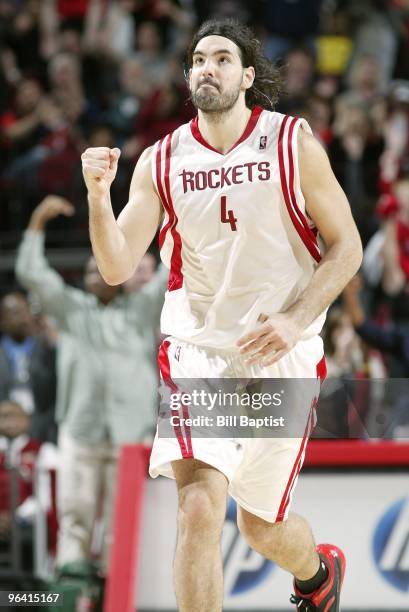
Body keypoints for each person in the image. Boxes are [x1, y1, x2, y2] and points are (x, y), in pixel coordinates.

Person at [81, 18, 363, 611]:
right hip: (197, 350)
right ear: (187, 76)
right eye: (198, 59)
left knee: (261, 528)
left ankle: (317, 575)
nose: (208, 67)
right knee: (200, 505)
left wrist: (295, 317)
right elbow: (114, 266)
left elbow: (348, 247)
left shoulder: (291, 143)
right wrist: (98, 197)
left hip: (281, 353)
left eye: (223, 58)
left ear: (247, 75)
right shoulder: (162, 159)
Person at [15, 195, 167, 575]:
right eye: (86, 273)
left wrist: (171, 213)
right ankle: (72, 589)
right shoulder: (71, 309)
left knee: (124, 523)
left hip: (130, 435)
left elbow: (170, 272)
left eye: (99, 269)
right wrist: (36, 221)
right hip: (80, 433)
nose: (93, 277)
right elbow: (32, 272)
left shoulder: (141, 308)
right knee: (74, 520)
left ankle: (117, 592)